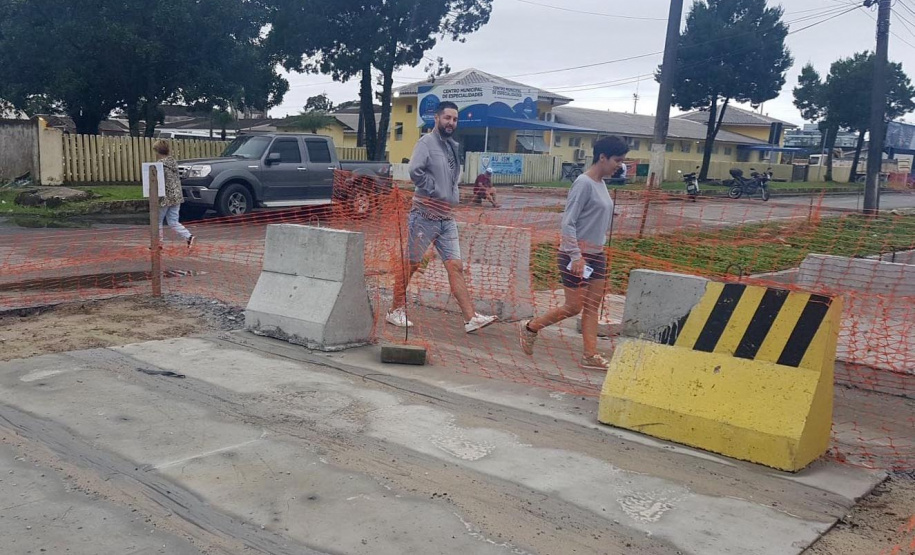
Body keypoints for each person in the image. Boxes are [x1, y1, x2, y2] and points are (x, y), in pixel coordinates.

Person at [518, 136, 629, 371]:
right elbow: (568, 222)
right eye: (617, 160)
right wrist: (576, 256)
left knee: (592, 306)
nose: (619, 165)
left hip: (597, 254)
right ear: (602, 157)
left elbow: (594, 213)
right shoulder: (583, 183)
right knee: (574, 307)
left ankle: (590, 354)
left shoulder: (601, 183)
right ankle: (531, 327)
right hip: (576, 256)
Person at [387, 101, 498, 333]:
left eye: (455, 119)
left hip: (446, 217)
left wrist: (450, 195)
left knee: (455, 266)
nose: (451, 123)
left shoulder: (452, 146)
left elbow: (452, 177)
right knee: (412, 264)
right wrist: (435, 190)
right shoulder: (426, 143)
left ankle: (470, 318)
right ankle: (395, 310)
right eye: (447, 118)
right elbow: (415, 171)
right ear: (436, 118)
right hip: (424, 215)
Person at [153, 140, 194, 248]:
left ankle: (158, 244)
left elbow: (157, 181)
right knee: (173, 221)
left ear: (158, 151)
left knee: (157, 221)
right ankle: (188, 236)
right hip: (176, 196)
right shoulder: (174, 163)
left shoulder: (159, 165)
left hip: (166, 196)